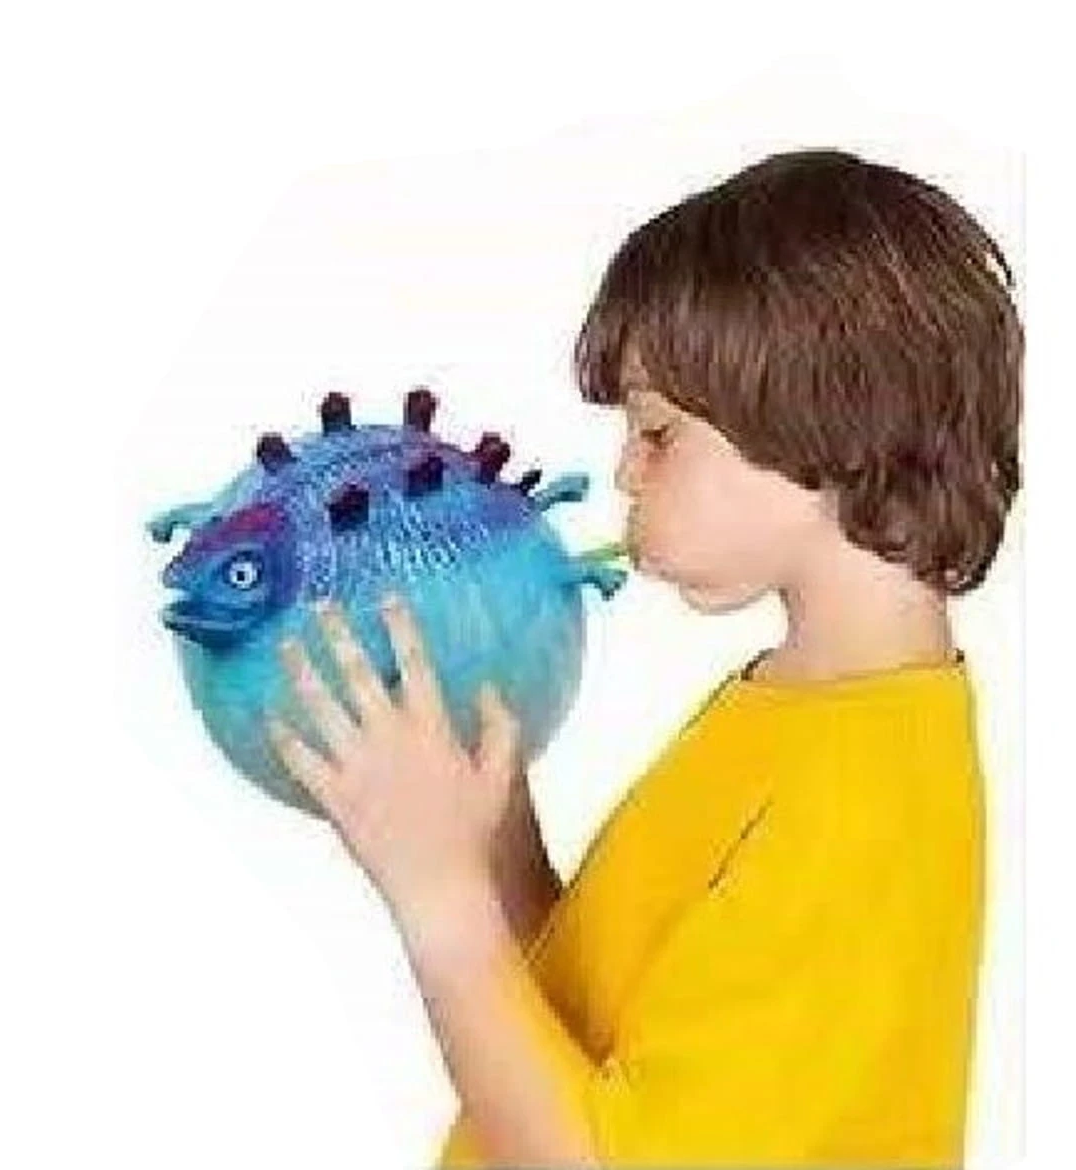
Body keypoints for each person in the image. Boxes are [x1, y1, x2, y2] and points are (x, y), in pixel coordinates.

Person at [431, 147, 1023, 1166]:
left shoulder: (864, 788)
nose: (626, 471)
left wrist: (433, 899)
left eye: (658, 432)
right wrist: (495, 838)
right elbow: (603, 1026)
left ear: (830, 422)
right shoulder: (797, 708)